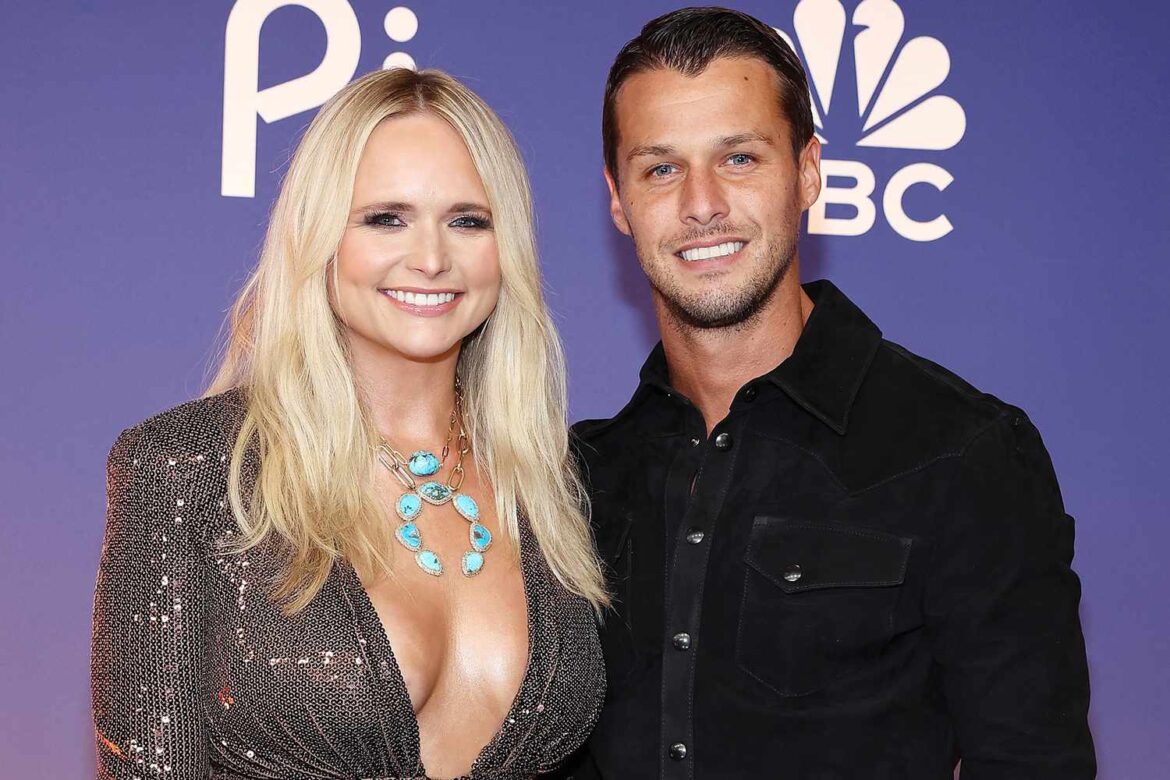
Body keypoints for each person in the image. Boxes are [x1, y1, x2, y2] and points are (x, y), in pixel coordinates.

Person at [571, 7, 1095, 779]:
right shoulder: (578, 479)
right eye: (661, 169)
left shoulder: (961, 454)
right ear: (618, 201)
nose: (702, 203)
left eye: (739, 158)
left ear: (808, 171)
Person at [91, 68, 607, 780]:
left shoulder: (549, 481)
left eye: (467, 220)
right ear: (320, 236)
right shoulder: (187, 467)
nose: (431, 259)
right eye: (386, 218)